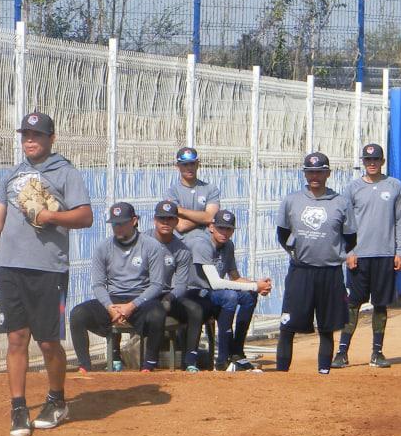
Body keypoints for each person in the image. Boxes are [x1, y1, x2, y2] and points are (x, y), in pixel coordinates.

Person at [0, 111, 93, 436]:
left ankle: (56, 399)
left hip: (49, 268)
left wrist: (51, 215)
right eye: (25, 135)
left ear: (51, 138)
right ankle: (18, 407)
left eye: (36, 135)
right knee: (16, 337)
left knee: (49, 341)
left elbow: (86, 216)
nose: (30, 140)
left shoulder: (66, 173)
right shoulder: (12, 176)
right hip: (10, 267)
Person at [273, 152, 355, 374]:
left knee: (327, 327)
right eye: (310, 172)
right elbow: (282, 233)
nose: (315, 176)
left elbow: (350, 237)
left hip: (330, 272)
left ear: (328, 173)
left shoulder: (340, 202)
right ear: (305, 174)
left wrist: (333, 253)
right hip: (301, 271)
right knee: (287, 326)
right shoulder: (292, 200)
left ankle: (323, 372)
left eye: (319, 171)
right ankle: (281, 374)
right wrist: (295, 252)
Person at [69, 202, 169, 373]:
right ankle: (84, 365)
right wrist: (109, 307)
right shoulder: (103, 247)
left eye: (122, 223)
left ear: (134, 221)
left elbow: (157, 285)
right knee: (77, 314)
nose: (118, 228)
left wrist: (132, 305)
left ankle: (149, 364)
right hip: (113, 299)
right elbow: (98, 284)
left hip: (140, 299)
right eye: (115, 224)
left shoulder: (151, 246)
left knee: (157, 314)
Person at [337, 143, 401, 369]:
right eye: (368, 160)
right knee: (353, 304)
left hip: (385, 255)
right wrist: (349, 251)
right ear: (363, 163)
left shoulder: (394, 186)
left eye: (376, 159)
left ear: (382, 161)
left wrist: (400, 252)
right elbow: (346, 223)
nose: (372, 164)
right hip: (360, 256)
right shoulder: (353, 188)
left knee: (380, 304)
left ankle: (377, 353)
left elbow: (400, 220)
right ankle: (342, 352)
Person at [187, 209, 272, 370]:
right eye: (220, 228)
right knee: (230, 296)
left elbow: (235, 277)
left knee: (249, 296)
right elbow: (216, 283)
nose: (224, 232)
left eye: (228, 229)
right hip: (194, 292)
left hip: (213, 292)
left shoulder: (228, 245)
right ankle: (222, 360)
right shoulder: (202, 244)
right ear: (211, 227)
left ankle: (237, 352)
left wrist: (258, 286)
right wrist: (254, 285)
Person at [150, 199, 206, 372]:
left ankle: (189, 361)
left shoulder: (181, 249)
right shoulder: (142, 241)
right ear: (155, 220)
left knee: (195, 310)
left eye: (170, 219)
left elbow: (181, 284)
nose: (166, 222)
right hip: (141, 294)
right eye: (162, 218)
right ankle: (118, 356)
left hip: (166, 294)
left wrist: (170, 296)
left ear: (176, 221)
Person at [165, 146, 221, 249]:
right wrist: (203, 218)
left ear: (198, 164)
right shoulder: (172, 192)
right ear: (178, 166)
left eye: (192, 163)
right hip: (181, 245)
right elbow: (180, 226)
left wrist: (181, 210)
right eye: (185, 164)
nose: (189, 167)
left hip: (206, 242)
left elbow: (210, 217)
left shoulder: (211, 189)